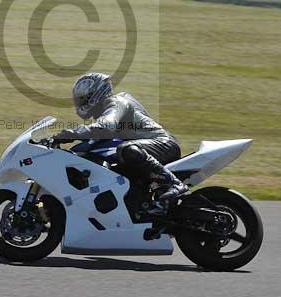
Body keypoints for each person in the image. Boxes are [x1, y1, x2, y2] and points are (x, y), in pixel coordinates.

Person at [52, 72, 188, 207]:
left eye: (84, 98)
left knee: (126, 149)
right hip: (146, 147)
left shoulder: (116, 103)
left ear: (96, 94)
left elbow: (104, 126)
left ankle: (174, 184)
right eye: (79, 99)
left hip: (163, 144)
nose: (81, 103)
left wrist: (69, 134)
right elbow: (96, 135)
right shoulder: (106, 111)